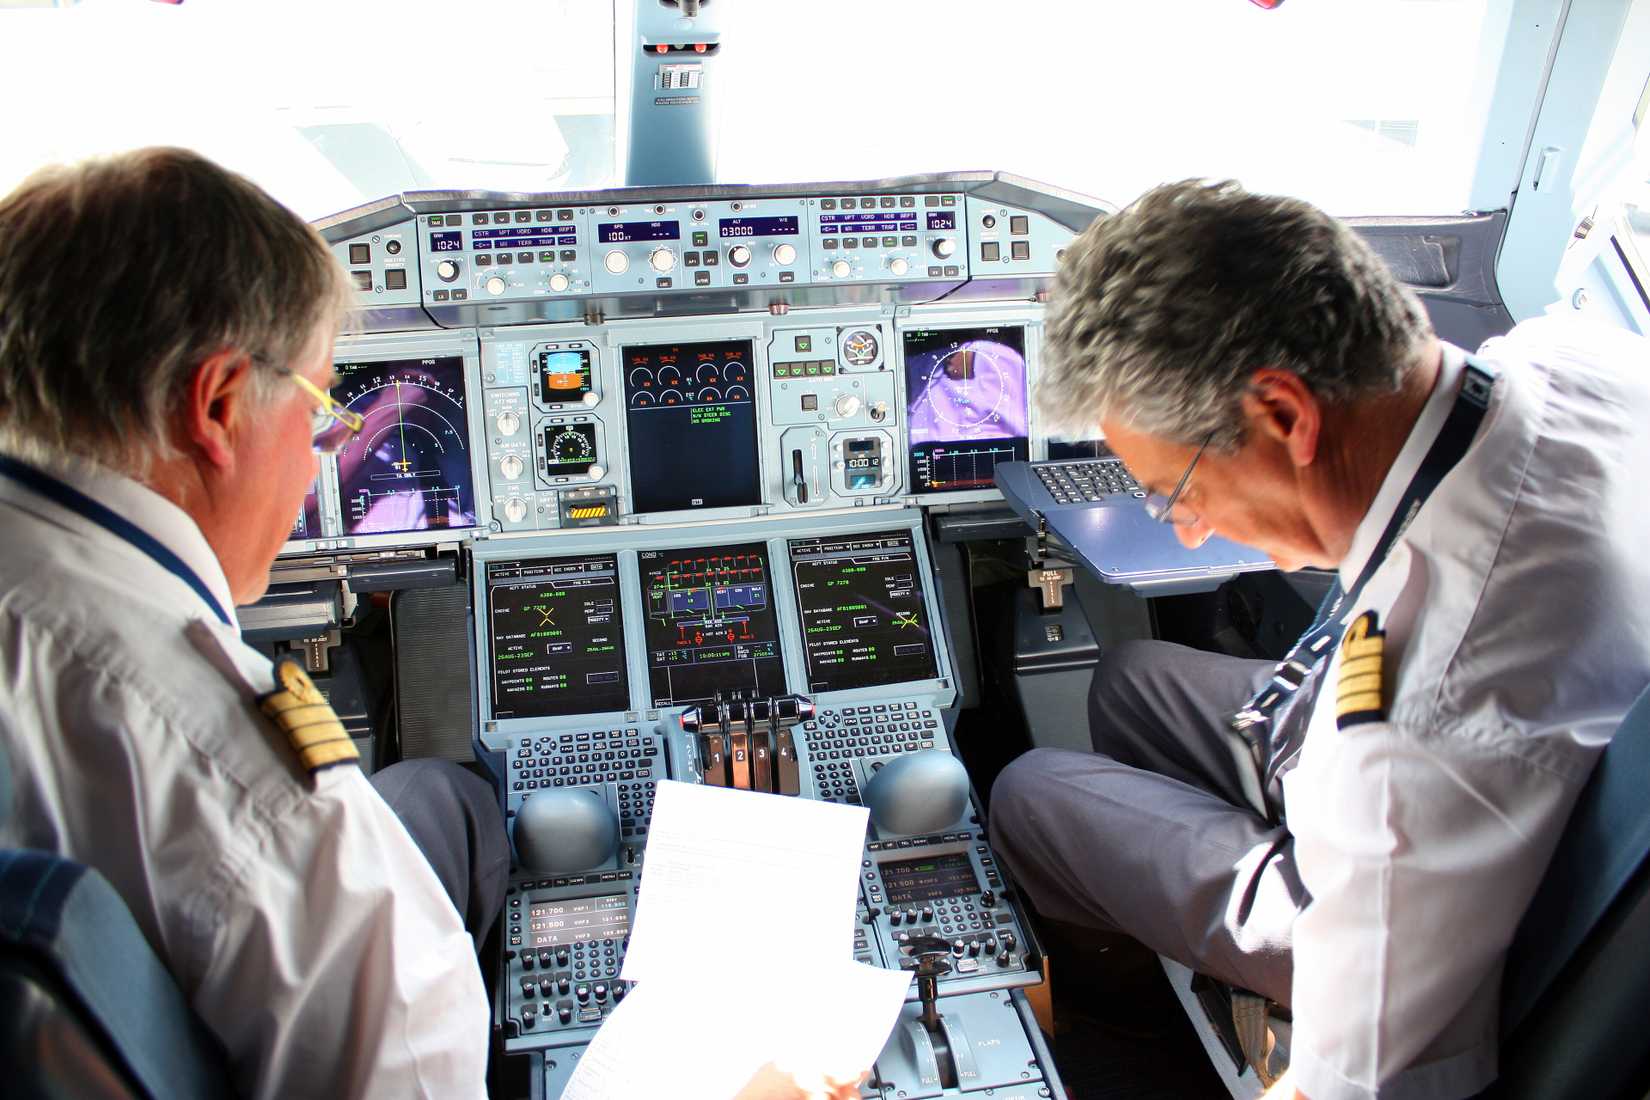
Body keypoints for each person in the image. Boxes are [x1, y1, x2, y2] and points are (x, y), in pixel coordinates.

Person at [988, 179, 1650, 1100]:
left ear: (1288, 416)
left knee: (1031, 794)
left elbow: (1361, 1085)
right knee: (1133, 679)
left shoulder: (1417, 730)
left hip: (1421, 892)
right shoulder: (1567, 359)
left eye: (1177, 490)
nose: (1184, 528)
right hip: (1492, 761)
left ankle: (1130, 1033)